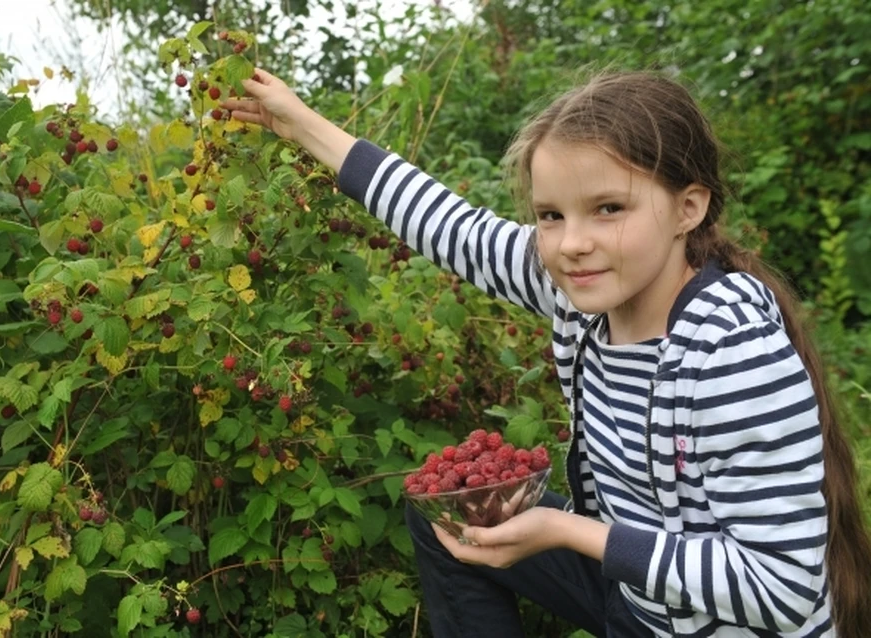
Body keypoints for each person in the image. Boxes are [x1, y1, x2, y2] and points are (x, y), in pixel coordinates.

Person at [227, 68, 871, 637]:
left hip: (724, 626)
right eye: (551, 215)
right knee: (449, 523)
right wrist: (299, 122)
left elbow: (783, 590)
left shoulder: (728, 351)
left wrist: (566, 531)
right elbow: (449, 227)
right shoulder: (579, 285)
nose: (572, 243)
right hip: (641, 600)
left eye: (608, 208)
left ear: (688, 208)